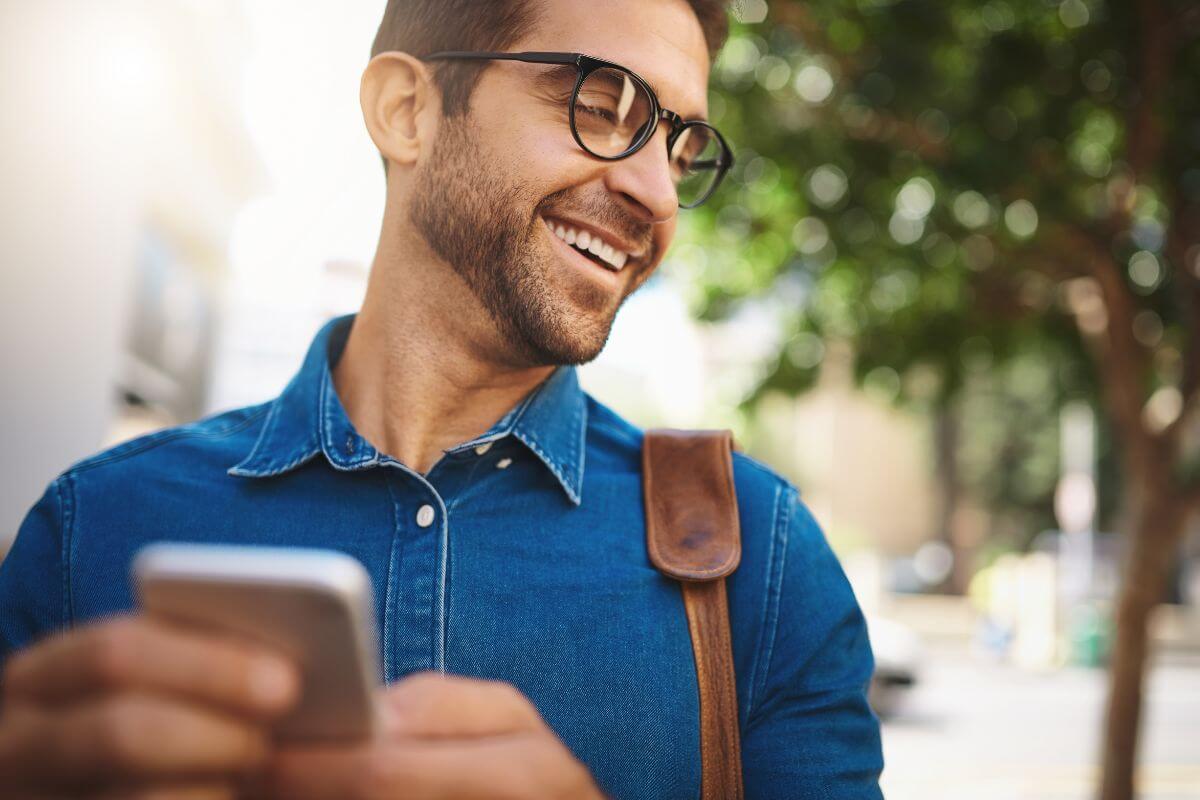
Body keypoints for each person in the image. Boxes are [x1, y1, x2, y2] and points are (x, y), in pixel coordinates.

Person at [0, 0, 884, 797]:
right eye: (603, 104)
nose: (657, 194)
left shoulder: (760, 563)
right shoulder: (88, 532)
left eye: (682, 149)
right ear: (407, 111)